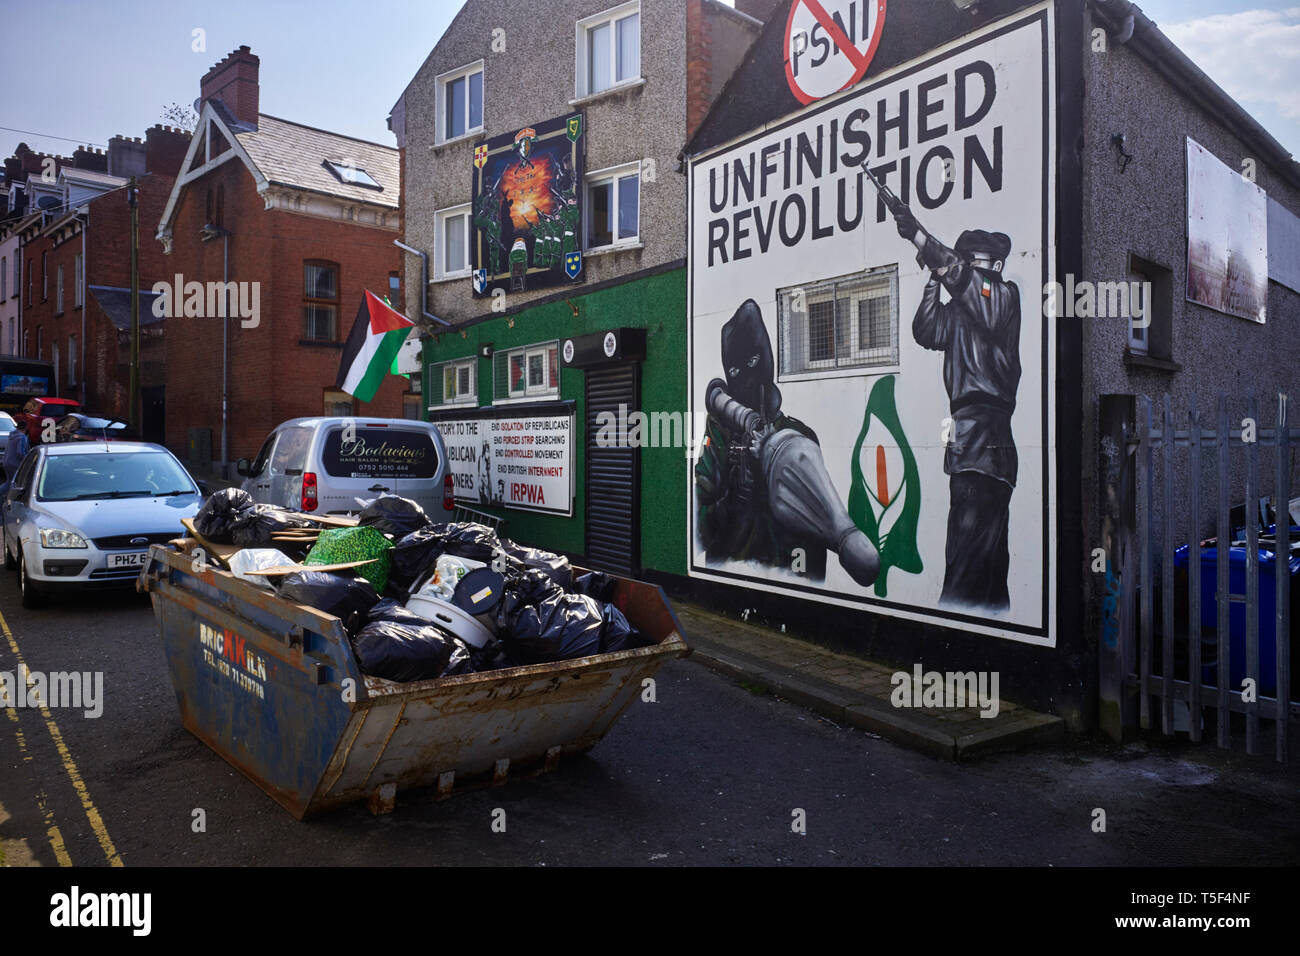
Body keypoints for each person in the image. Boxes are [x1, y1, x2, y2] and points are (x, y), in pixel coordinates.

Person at [895, 213, 1022, 611]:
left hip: (989, 437)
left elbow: (971, 289)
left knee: (973, 560)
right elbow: (925, 330)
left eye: (975, 266)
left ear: (996, 268)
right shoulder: (960, 313)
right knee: (980, 557)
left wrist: (920, 238)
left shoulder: (1003, 298)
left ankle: (960, 629)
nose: (966, 273)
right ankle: (985, 628)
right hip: (967, 442)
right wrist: (934, 276)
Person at [695, 300, 828, 580]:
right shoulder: (719, 435)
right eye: (734, 371)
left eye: (754, 361)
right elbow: (702, 530)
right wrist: (734, 501)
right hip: (731, 576)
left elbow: (817, 533)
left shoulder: (799, 438)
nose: (746, 375)